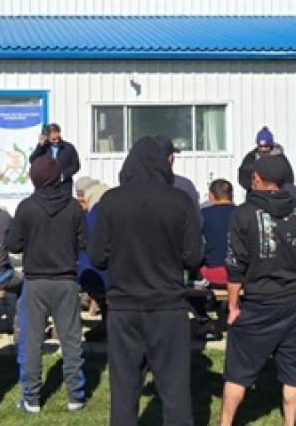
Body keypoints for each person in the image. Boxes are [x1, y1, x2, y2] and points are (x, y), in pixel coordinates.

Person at [88, 136, 203, 426]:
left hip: (124, 306)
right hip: (168, 305)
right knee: (175, 391)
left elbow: (98, 257)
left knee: (124, 391)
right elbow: (193, 257)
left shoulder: (111, 201)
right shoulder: (180, 200)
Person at [221, 155, 296, 426]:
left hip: (257, 303)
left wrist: (233, 306)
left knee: (238, 372)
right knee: (294, 373)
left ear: (256, 179)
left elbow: (235, 266)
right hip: (294, 303)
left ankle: (226, 423)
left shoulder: (243, 214)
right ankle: (290, 422)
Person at [8, 155, 87, 414]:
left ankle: (31, 398)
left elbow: (14, 245)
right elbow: (84, 242)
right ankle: (76, 396)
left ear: (34, 178)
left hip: (36, 281)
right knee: (72, 341)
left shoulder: (27, 207)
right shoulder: (73, 207)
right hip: (66, 280)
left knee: (31, 342)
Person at [77, 181, 110, 341]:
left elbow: (88, 242)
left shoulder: (96, 212)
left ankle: (107, 324)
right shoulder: (107, 204)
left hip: (98, 269)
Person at [29, 123, 80, 197]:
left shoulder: (69, 147)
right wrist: (39, 146)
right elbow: (32, 160)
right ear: (47, 137)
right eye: (53, 139)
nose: (56, 141)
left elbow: (76, 166)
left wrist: (63, 175)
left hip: (64, 186)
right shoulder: (43, 148)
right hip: (46, 186)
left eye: (57, 138)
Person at [237, 126, 294, 192]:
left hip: (276, 195)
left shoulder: (281, 159)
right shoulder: (251, 158)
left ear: (271, 145)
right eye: (260, 146)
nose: (263, 149)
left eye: (266, 146)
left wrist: (280, 190)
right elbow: (243, 176)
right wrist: (252, 187)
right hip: (256, 195)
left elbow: (289, 178)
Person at [200, 179, 235, 287]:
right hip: (239, 274)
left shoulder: (203, 214)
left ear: (211, 196)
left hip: (212, 273)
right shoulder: (243, 213)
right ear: (231, 195)